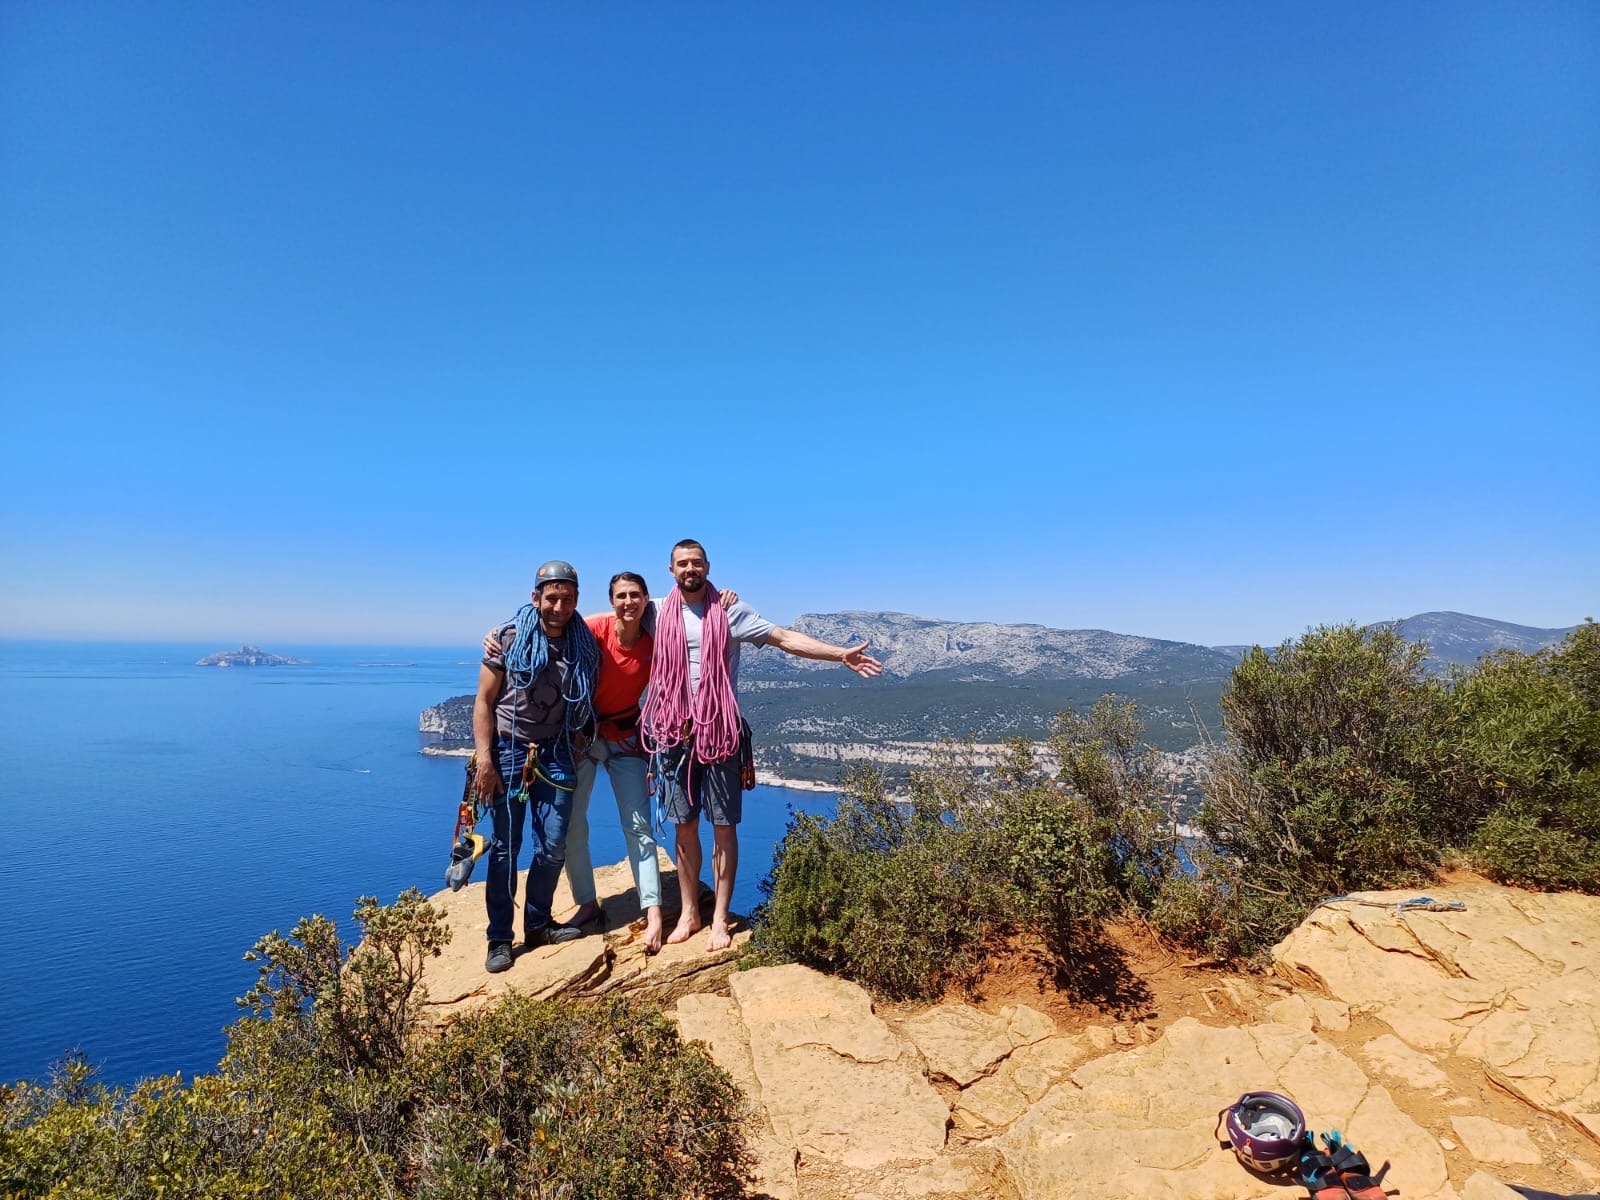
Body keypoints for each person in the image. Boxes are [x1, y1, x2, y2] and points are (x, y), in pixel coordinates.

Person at [641, 538, 883, 952]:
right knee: (683, 827)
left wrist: (839, 654)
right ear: (671, 570)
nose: (690, 569)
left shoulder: (731, 611)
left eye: (696, 563)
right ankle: (688, 913)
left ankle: (718, 917)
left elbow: (785, 637)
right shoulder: (656, 610)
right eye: (682, 564)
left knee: (722, 828)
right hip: (674, 734)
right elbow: (608, 619)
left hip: (720, 732)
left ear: (708, 566)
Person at [484, 572, 740, 954]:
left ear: (647, 600)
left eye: (636, 596)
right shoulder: (591, 629)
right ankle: (587, 904)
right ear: (611, 600)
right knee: (570, 827)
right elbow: (549, 620)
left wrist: (720, 599)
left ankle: (652, 911)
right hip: (581, 737)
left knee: (638, 826)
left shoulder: (659, 638)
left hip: (625, 737)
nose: (628, 603)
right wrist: (500, 632)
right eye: (621, 597)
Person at [472, 559, 601, 973]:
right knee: (506, 850)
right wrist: (485, 760)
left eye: (566, 599)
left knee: (553, 845)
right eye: (551, 598)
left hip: (557, 750)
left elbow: (630, 615)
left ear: (576, 600)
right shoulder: (508, 639)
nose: (558, 606)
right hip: (509, 752)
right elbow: (483, 703)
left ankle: (539, 923)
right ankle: (499, 939)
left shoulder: (583, 642)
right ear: (535, 598)